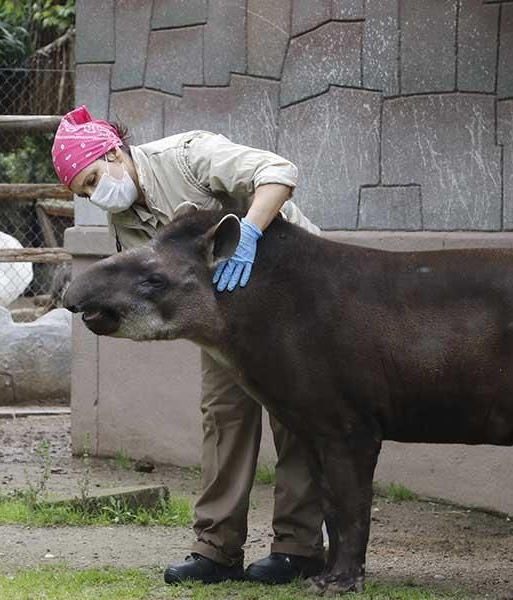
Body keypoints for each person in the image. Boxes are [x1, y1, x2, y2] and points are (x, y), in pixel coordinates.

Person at [52, 106, 325, 585]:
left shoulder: (186, 156)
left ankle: (298, 550)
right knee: (223, 414)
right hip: (224, 312)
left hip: (291, 290)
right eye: (85, 193)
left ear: (114, 152)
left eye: (95, 179)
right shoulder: (123, 220)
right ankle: (215, 550)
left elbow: (279, 172)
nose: (98, 195)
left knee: (295, 415)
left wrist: (250, 235)